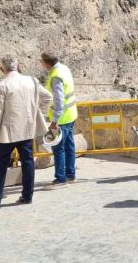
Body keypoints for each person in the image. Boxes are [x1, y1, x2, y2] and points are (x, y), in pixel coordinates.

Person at [0, 56, 52, 209]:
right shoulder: (32, 81)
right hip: (27, 130)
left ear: (2, 69)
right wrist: (37, 114)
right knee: (28, 162)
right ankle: (27, 196)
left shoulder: (2, 85)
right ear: (18, 65)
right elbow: (48, 97)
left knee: (1, 166)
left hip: (6, 134)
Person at [41, 52, 78, 186]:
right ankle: (71, 174)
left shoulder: (56, 76)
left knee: (58, 148)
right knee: (69, 146)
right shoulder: (64, 68)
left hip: (61, 119)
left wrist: (55, 121)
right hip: (71, 114)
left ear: (46, 62)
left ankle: (61, 178)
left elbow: (59, 100)